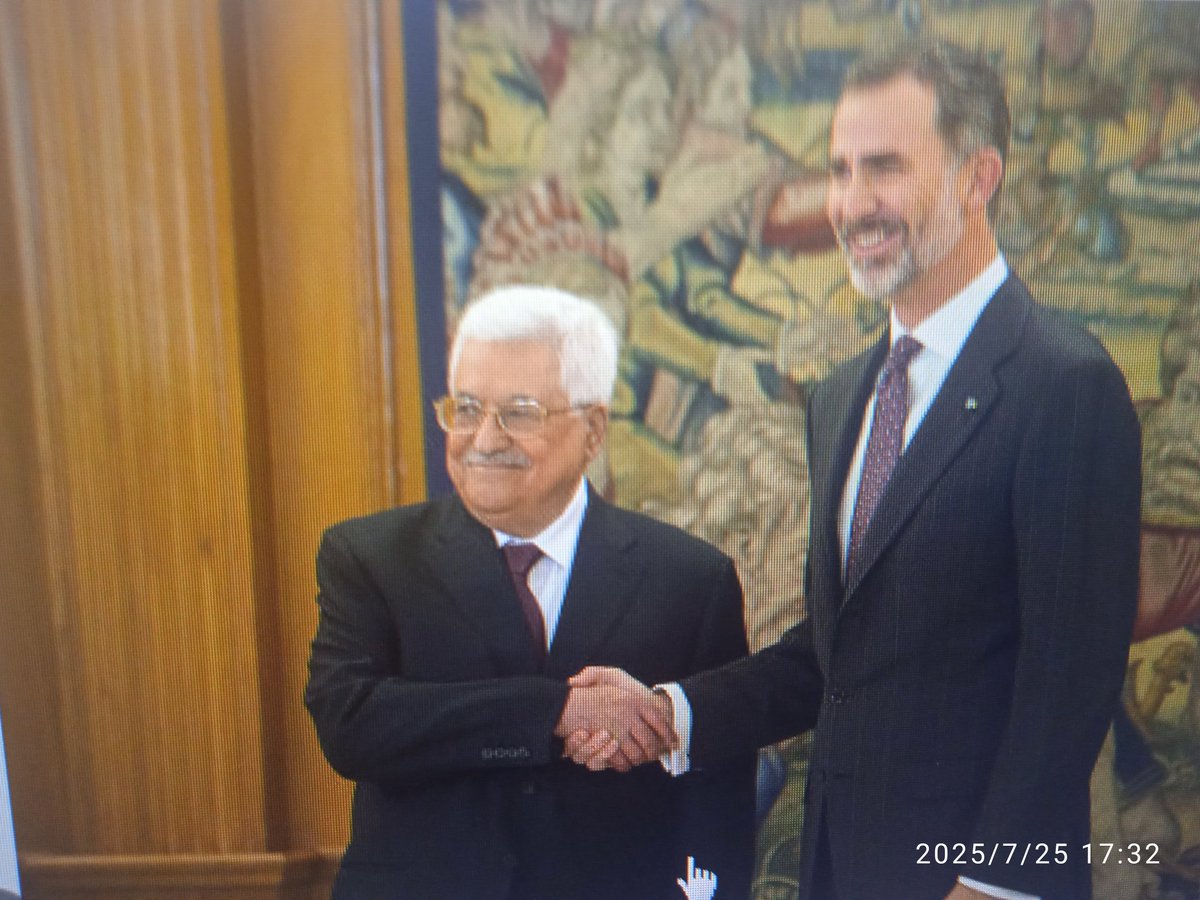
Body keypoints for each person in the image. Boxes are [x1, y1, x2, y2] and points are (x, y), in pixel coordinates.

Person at [564, 37, 1142, 900]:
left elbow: (1069, 685)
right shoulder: (841, 396)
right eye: (839, 171)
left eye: (885, 168)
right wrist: (670, 711)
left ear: (978, 178)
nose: (851, 204)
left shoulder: (1065, 385)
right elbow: (840, 658)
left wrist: (993, 885)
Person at [304, 285, 755, 900]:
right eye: (466, 408)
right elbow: (351, 724)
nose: (485, 439)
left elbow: (717, 791)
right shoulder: (371, 557)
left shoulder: (689, 577)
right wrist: (556, 712)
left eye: (519, 412)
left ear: (593, 429)